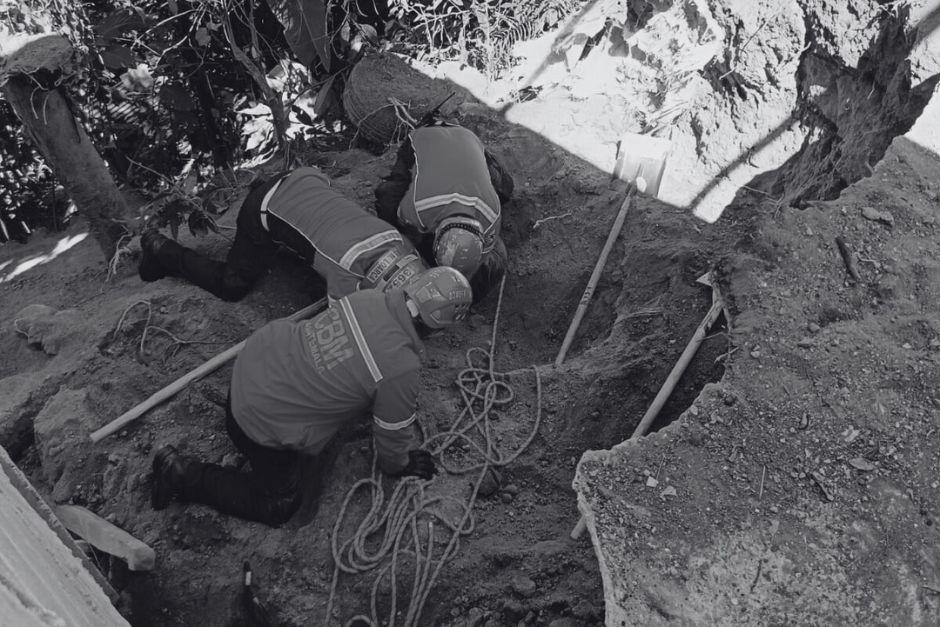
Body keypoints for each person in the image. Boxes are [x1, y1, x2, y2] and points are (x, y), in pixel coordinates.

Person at [150, 266, 473, 526]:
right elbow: (391, 439)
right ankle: (181, 475)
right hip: (260, 423)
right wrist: (400, 464)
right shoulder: (401, 367)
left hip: (251, 373)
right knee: (278, 504)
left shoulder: (370, 298)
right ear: (440, 326)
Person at [138, 166, 427, 302]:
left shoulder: (399, 241)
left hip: (306, 179)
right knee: (232, 285)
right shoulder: (346, 270)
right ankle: (159, 248)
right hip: (263, 207)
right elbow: (351, 325)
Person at [374, 121, 514, 302]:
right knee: (388, 202)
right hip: (424, 139)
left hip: (467, 138)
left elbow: (469, 276)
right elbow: (403, 227)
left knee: (506, 188)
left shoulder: (493, 215)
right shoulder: (417, 209)